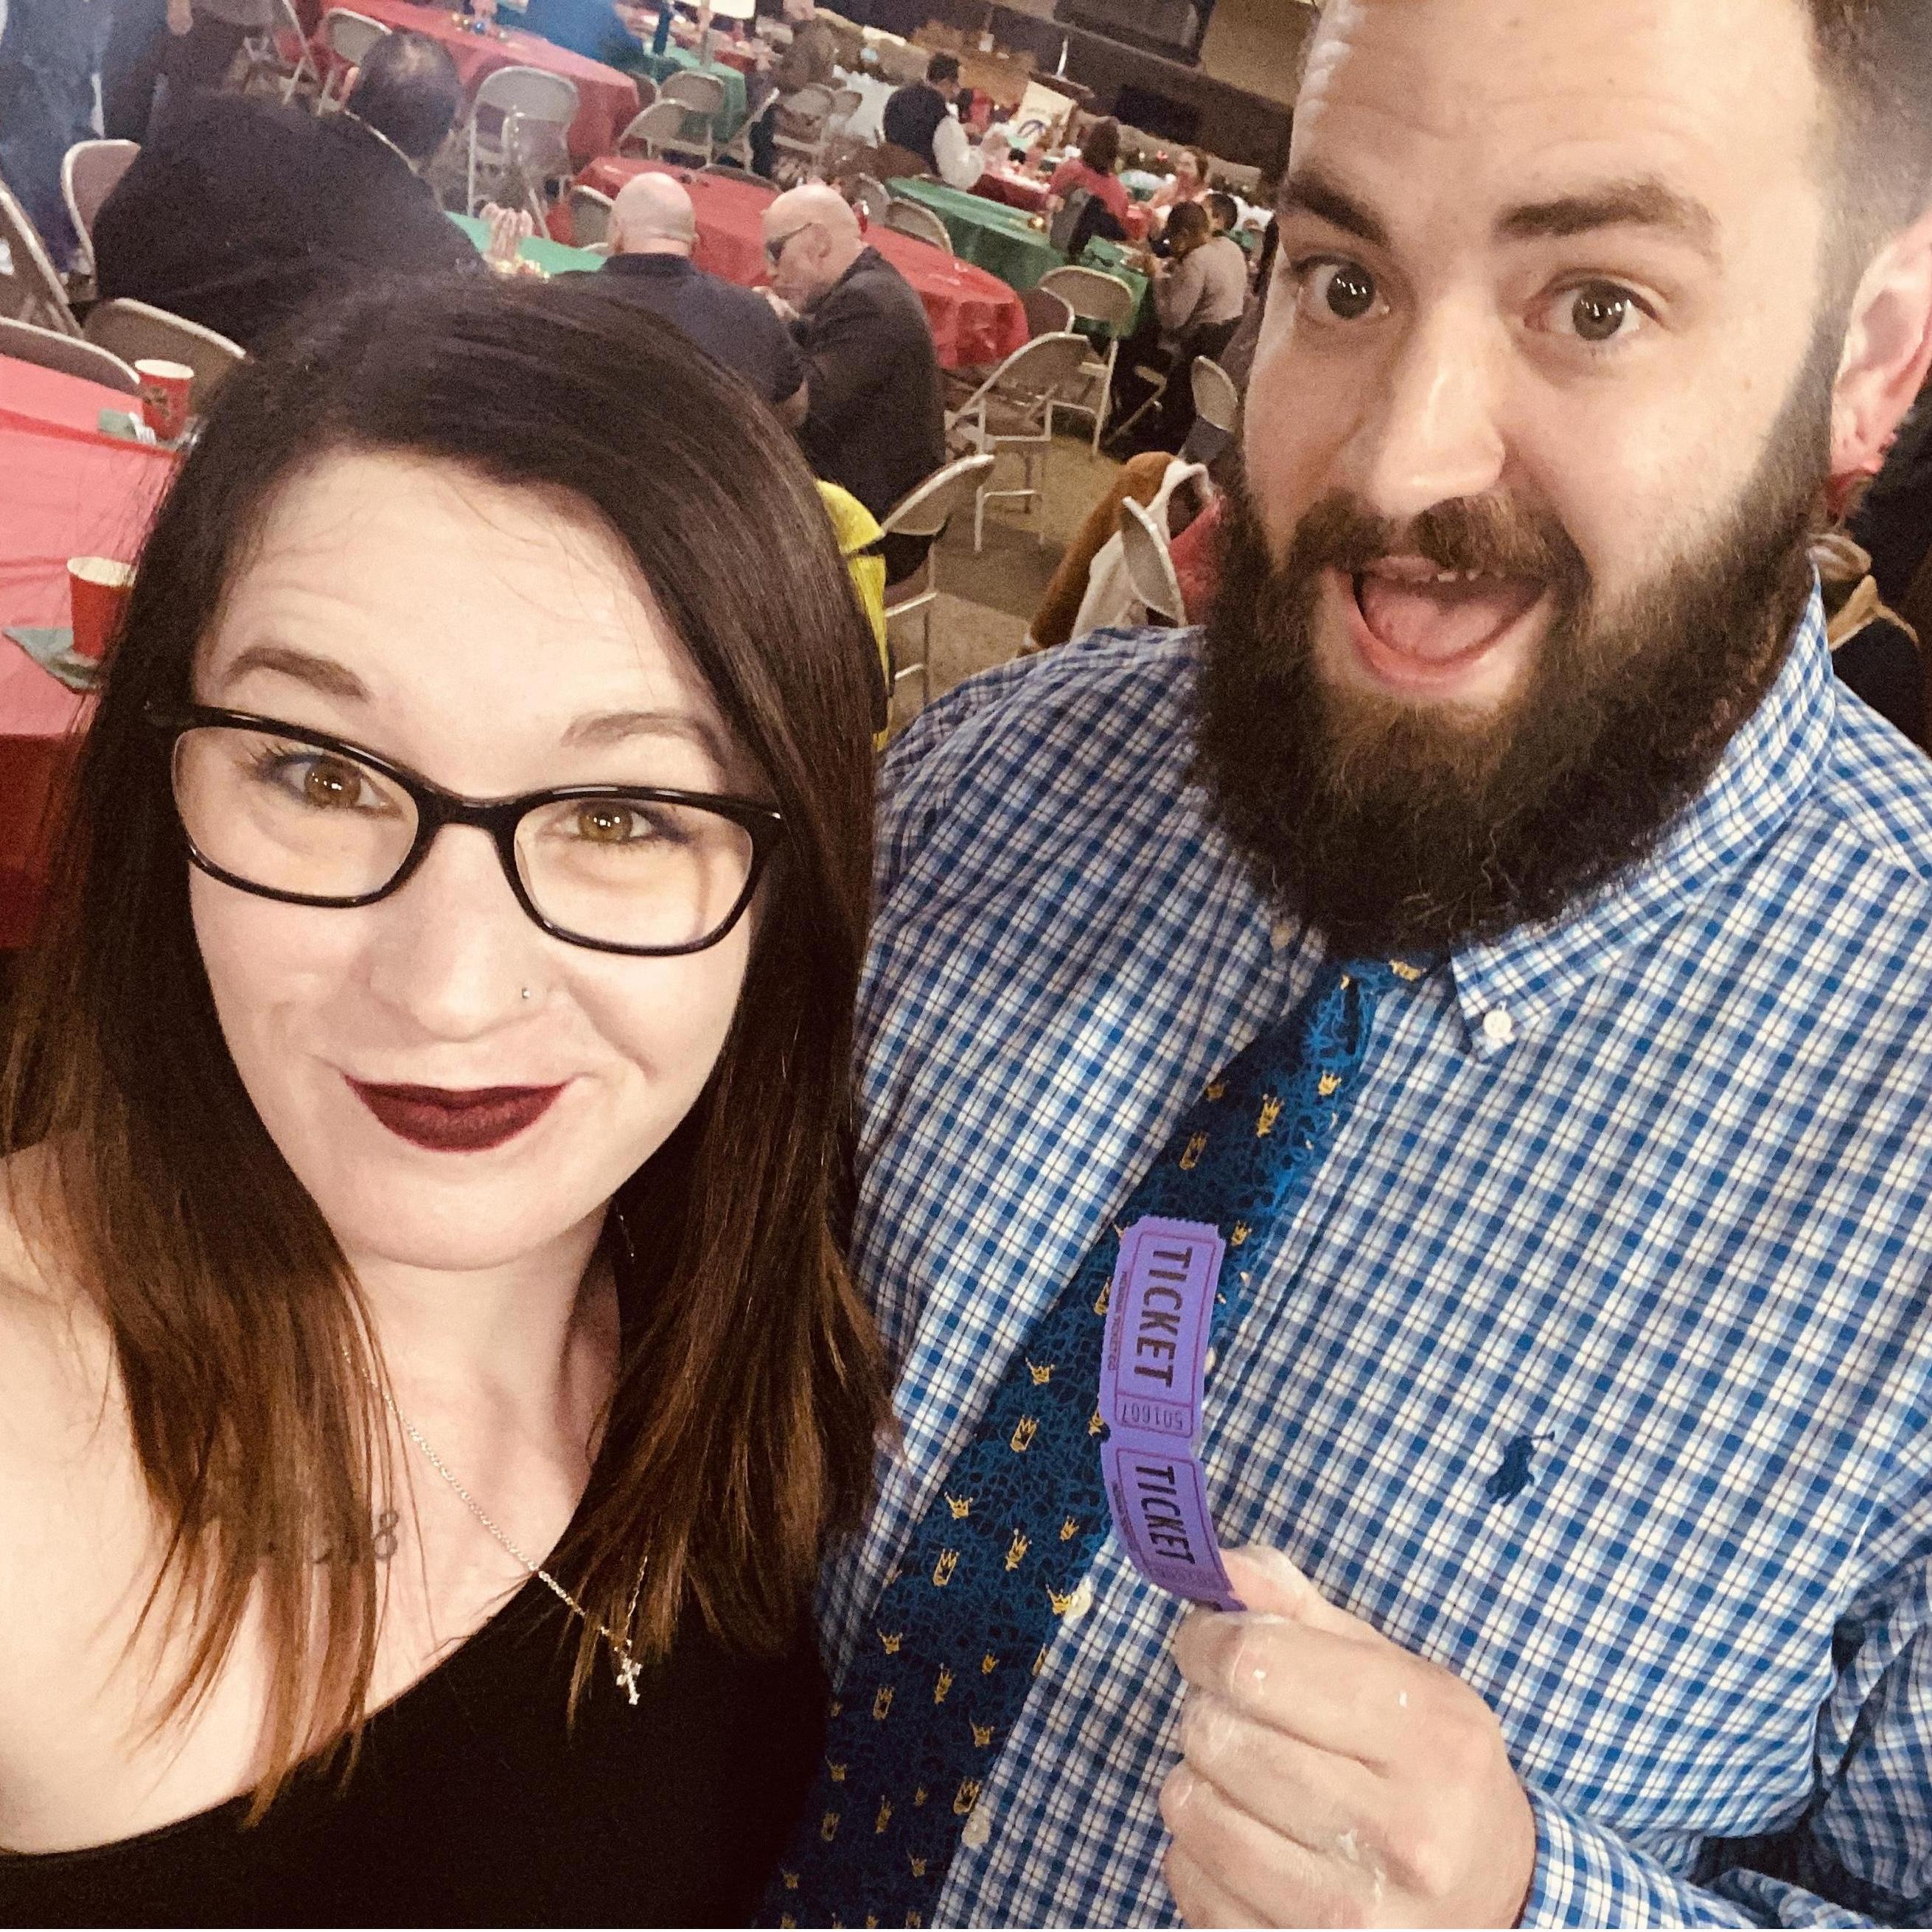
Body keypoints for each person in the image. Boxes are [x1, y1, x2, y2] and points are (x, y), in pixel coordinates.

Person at [768, 0, 1932, 1924]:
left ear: (1864, 359)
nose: (1396, 461)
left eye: (1594, 305)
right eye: (1341, 280)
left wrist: (1525, 1903)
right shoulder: (988, 788)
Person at [0, 276, 890, 1921]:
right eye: (320, 773)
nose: (450, 989)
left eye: (619, 814)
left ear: (788, 882)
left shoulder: (743, 1305)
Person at [90, 32, 485, 350]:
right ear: (443, 142)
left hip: (113, 348)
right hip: (250, 409)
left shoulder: (214, 115)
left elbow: (114, 223)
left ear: (348, 86)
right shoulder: (437, 250)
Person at [761, 183, 945, 584]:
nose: (771, 271)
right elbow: (833, 354)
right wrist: (789, 323)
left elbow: (804, 410)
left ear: (819, 243)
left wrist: (765, 328)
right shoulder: (873, 284)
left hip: (873, 530)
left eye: (776, 252)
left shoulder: (869, 304)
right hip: (879, 498)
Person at [590, 172, 809, 423]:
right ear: (694, 246)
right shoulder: (757, 313)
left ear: (616, 235)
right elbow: (795, 408)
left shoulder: (565, 305)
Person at [1108, 200, 1247, 454]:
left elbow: (1172, 319)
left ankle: (1134, 423)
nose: (1170, 245)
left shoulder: (1196, 261)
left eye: (1171, 239)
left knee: (1123, 346)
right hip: (1220, 349)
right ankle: (1140, 420)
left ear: (1182, 236)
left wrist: (1157, 276)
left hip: (1188, 353)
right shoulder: (1231, 249)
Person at [0, 0, 112, 272]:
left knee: (38, 139)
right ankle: (57, 251)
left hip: (48, 47)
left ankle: (50, 256)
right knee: (49, 133)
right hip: (53, 41)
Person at [749, 0, 839, 179]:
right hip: (815, 117)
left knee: (755, 105)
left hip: (795, 115)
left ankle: (758, 171)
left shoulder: (805, 42)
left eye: (788, 15)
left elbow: (793, 81)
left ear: (802, 12)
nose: (786, 20)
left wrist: (768, 68)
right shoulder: (825, 35)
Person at [880, 52, 982, 191]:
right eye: (957, 85)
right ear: (946, 82)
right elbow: (958, 177)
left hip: (891, 181)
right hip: (923, 193)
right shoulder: (943, 120)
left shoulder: (897, 98)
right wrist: (982, 152)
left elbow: (915, 132)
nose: (958, 91)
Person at [1047, 114, 1132, 234]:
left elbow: (1049, 203)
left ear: (1089, 142)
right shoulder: (1120, 193)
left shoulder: (1071, 170)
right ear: (1115, 153)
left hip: (1059, 236)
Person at [1145, 144, 1208, 220]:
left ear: (1200, 173)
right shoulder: (1169, 189)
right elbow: (1148, 208)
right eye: (1179, 163)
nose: (1180, 169)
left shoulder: (1204, 202)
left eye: (1187, 165)